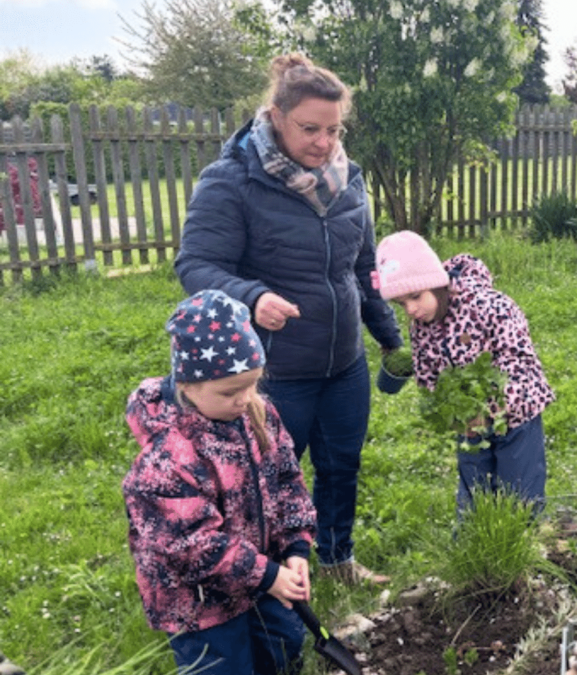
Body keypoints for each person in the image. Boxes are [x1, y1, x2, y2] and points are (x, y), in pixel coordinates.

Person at [174, 53, 401, 585]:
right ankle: (267, 579)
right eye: (309, 129)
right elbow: (195, 265)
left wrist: (389, 337)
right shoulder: (232, 180)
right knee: (268, 482)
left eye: (333, 129)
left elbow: (363, 267)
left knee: (342, 467)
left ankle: (337, 559)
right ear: (275, 116)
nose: (324, 143)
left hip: (343, 361)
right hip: (274, 371)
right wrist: (252, 298)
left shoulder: (350, 181)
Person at [123, 290, 318, 675]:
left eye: (253, 384)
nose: (246, 399)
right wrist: (264, 573)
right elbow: (187, 545)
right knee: (221, 666)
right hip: (201, 603)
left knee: (283, 648)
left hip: (261, 577)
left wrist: (296, 546)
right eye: (231, 391)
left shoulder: (259, 415)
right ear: (188, 385)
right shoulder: (168, 456)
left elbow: (287, 479)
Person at [375, 231, 554, 514]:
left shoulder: (489, 306)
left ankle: (522, 548)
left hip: (517, 416)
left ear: (435, 283)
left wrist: (490, 408)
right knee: (474, 495)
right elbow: (427, 375)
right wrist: (450, 412)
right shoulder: (422, 325)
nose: (410, 310)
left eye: (415, 297)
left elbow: (518, 363)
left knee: (521, 495)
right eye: (401, 304)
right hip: (468, 424)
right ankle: (473, 548)